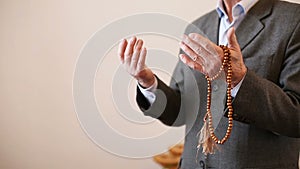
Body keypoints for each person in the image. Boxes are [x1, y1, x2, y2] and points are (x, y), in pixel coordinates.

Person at [118, 0, 300, 168]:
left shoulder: (293, 19)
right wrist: (147, 82)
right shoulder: (197, 27)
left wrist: (239, 80)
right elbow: (179, 113)